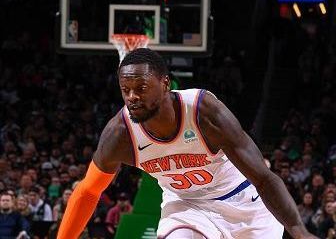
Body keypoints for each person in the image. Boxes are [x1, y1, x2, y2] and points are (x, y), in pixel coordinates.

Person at [57, 48, 318, 239]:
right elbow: (89, 191)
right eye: (126, 90)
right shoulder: (120, 134)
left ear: (165, 83)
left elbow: (263, 177)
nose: (132, 97)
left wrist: (299, 230)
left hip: (242, 202)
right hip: (186, 204)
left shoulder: (204, 112)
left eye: (141, 88)